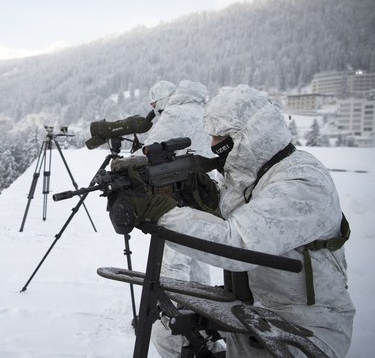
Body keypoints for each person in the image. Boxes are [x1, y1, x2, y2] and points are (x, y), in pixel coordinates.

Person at [114, 85, 356, 357]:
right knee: (169, 334)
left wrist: (160, 211)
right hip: (254, 305)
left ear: (249, 135)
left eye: (219, 135)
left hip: (309, 323)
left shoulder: (302, 181)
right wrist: (199, 200)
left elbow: (238, 244)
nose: (213, 144)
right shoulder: (252, 175)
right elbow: (235, 219)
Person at [141, 79, 219, 357]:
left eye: (154, 104)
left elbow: (146, 153)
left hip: (178, 197)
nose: (153, 109)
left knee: (172, 265)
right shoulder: (205, 111)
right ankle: (207, 326)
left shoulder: (175, 114)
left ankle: (177, 339)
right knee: (198, 259)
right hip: (207, 197)